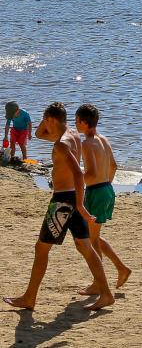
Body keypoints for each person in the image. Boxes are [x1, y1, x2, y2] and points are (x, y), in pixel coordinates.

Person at [3, 102, 114, 311]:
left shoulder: (61, 144)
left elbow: (79, 174)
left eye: (46, 120)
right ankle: (106, 294)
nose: (44, 125)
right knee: (85, 246)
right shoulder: (72, 135)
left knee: (41, 248)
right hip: (72, 197)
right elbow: (38, 134)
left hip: (64, 200)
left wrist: (80, 205)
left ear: (52, 120)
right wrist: (48, 119)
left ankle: (29, 298)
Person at [75, 103, 131, 293]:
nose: (76, 124)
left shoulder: (86, 143)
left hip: (97, 191)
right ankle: (121, 268)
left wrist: (77, 180)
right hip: (107, 189)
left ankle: (99, 282)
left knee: (90, 240)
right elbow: (113, 165)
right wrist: (105, 185)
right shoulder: (104, 139)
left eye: (77, 121)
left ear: (83, 122)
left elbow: (90, 173)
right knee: (94, 237)